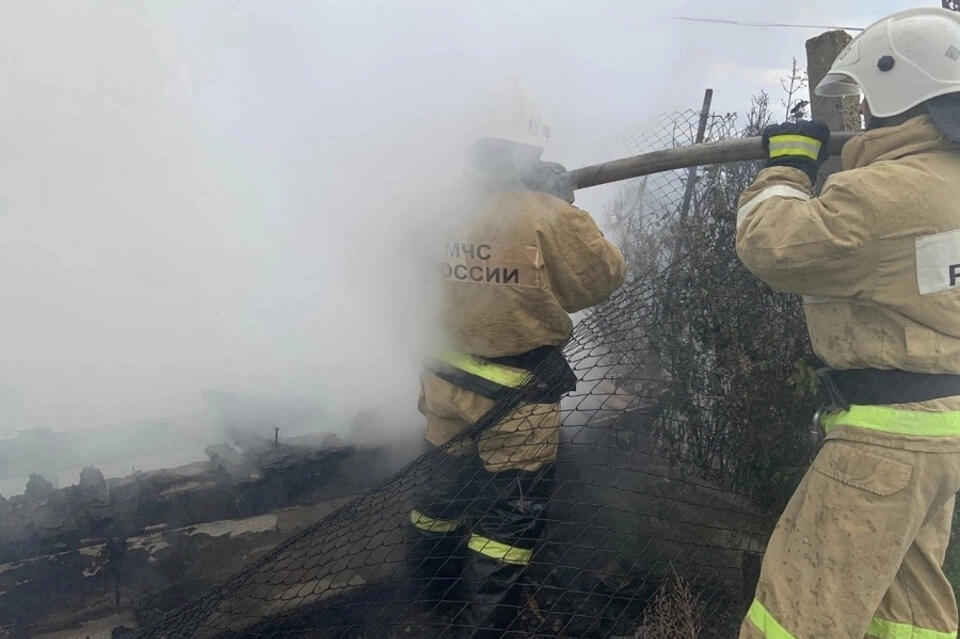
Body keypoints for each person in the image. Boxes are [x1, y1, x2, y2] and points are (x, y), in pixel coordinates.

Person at [735, 8, 960, 638]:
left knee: (797, 613)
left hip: (883, 447)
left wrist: (785, 170)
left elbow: (772, 247)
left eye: (864, 100)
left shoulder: (884, 195)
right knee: (908, 612)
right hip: (944, 431)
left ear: (893, 90)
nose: (858, 115)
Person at [408, 135, 626, 638]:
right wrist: (562, 205)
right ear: (529, 150)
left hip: (442, 382)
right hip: (515, 398)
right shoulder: (546, 213)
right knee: (507, 524)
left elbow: (414, 275)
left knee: (437, 500)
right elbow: (600, 279)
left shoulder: (443, 208)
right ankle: (488, 630)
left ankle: (431, 603)